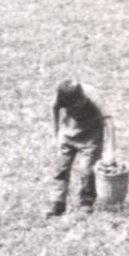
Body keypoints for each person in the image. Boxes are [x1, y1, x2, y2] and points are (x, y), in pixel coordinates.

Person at [49, 80, 107, 216]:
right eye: (75, 104)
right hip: (68, 131)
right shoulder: (60, 98)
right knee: (60, 168)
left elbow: (108, 121)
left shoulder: (93, 96)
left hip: (91, 135)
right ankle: (58, 204)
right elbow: (54, 108)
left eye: (81, 100)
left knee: (86, 170)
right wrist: (55, 134)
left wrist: (110, 150)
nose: (81, 102)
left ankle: (86, 203)